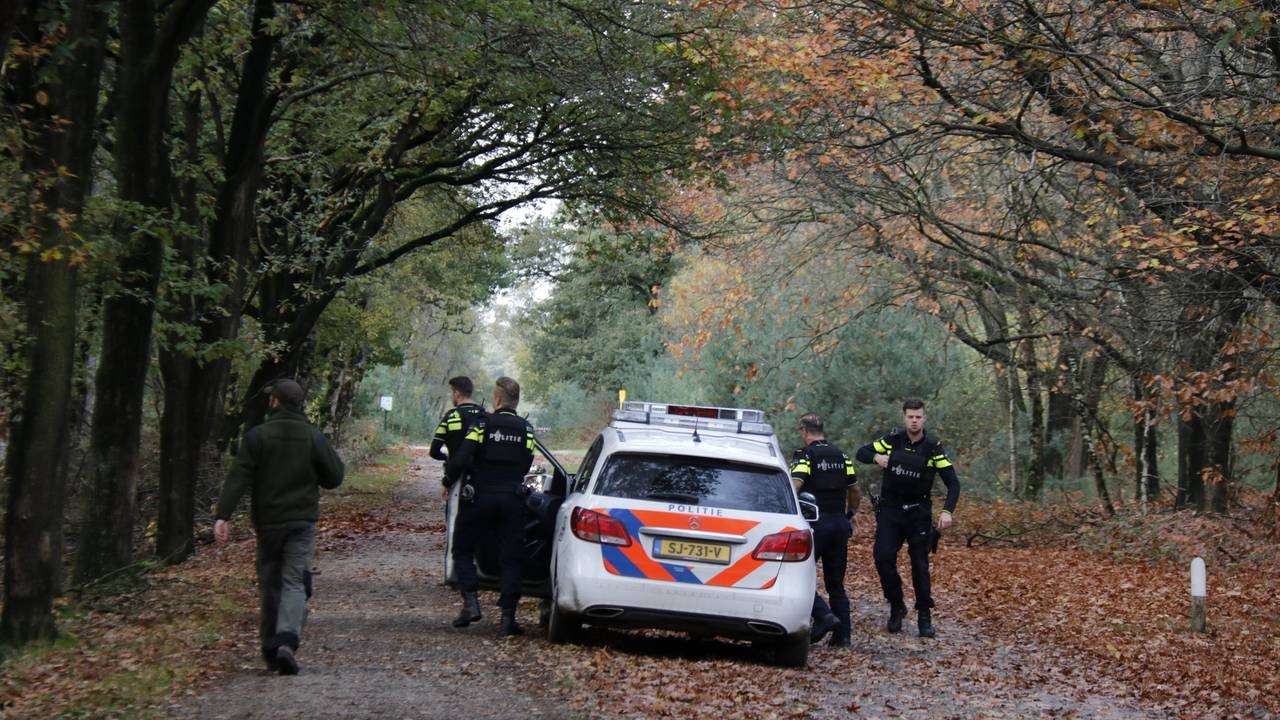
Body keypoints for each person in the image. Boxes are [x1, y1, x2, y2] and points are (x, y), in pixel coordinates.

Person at [214, 379, 345, 674]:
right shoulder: (313, 437)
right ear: (299, 404)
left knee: (271, 583)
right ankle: (287, 640)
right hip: (301, 522)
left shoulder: (258, 436)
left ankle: (271, 649)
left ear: (275, 403)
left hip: (268, 522)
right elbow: (335, 476)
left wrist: (223, 515)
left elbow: (239, 478)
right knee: (295, 581)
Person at [855, 398, 958, 639]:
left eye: (918, 416)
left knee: (919, 566)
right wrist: (876, 458)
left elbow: (953, 483)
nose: (914, 420)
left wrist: (947, 511)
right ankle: (896, 605)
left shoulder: (933, 448)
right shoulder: (892, 441)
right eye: (910, 416)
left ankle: (924, 615)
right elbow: (862, 452)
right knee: (882, 558)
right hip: (890, 511)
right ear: (904, 417)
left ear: (925, 418)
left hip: (918, 513)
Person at [446, 376, 536, 637]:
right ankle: (508, 619)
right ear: (516, 402)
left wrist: (447, 480)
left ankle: (471, 603)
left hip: (479, 498)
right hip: (511, 499)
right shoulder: (527, 430)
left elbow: (462, 457)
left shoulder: (482, 425)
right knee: (511, 557)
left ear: (496, 399)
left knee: (462, 548)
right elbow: (526, 464)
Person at [789, 413, 860, 648]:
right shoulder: (842, 456)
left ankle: (823, 615)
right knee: (836, 583)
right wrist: (850, 515)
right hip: (839, 525)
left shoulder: (805, 457)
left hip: (815, 526)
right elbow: (855, 490)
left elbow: (795, 486)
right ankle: (843, 636)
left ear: (804, 431)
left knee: (797, 576)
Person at [428, 376, 486, 489]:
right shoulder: (485, 416)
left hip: (454, 477)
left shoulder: (450, 417)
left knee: (454, 506)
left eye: (451, 392)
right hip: (480, 478)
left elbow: (434, 451)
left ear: (457, 393)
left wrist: (447, 458)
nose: (451, 396)